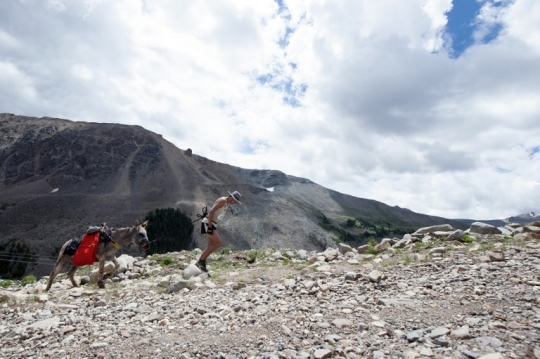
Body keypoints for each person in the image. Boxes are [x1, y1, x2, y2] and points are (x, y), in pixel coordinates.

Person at [197, 190, 242, 273]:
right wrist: (210, 226)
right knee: (218, 243)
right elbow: (211, 212)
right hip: (208, 223)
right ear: (232, 198)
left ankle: (201, 262)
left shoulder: (226, 203)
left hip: (211, 223)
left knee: (210, 245)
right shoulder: (223, 200)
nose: (234, 203)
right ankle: (201, 260)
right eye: (235, 201)